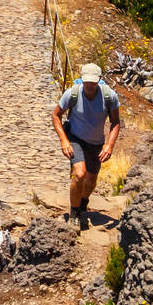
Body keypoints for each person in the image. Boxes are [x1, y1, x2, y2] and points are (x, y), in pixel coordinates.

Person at [52, 64, 122, 229]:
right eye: (86, 82)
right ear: (82, 80)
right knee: (79, 174)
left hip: (96, 143)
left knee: (91, 181)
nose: (89, 86)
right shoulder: (72, 93)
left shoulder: (109, 96)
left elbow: (115, 122)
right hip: (75, 138)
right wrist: (64, 140)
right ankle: (74, 213)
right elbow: (55, 115)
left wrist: (109, 146)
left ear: (99, 80)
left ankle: (83, 203)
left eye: (93, 82)